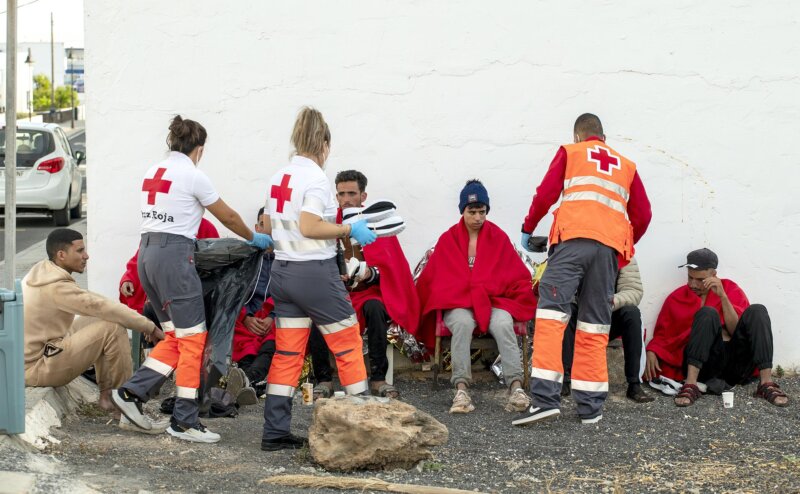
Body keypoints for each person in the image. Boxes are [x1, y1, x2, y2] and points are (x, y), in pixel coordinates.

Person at [112, 115, 272, 443]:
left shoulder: (153, 171)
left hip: (147, 256)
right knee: (194, 339)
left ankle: (131, 394)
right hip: (175, 258)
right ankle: (184, 421)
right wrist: (251, 238)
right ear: (199, 148)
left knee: (175, 336)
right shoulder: (193, 174)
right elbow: (225, 214)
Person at [515, 113, 652, 426]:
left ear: (578, 135)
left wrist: (528, 228)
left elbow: (545, 194)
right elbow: (643, 214)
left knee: (551, 316)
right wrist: (622, 245)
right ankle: (591, 408)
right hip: (606, 253)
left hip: (572, 243)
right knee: (595, 326)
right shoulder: (626, 166)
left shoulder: (571, 153)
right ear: (603, 137)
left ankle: (545, 400)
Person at [259, 107, 376, 452]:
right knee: (348, 344)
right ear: (324, 142)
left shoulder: (279, 176)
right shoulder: (316, 180)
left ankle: (275, 432)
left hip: (282, 272)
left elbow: (266, 224)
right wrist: (347, 229)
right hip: (314, 273)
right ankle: (363, 429)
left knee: (288, 353)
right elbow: (310, 225)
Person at [415, 179, 536, 414]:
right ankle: (461, 389)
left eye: (482, 211)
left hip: (493, 300)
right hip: (458, 302)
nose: (478, 217)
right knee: (461, 323)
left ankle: (516, 387)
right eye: (472, 211)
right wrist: (466, 290)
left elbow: (513, 274)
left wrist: (484, 288)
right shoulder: (449, 239)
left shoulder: (498, 237)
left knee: (502, 323)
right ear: (463, 211)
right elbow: (437, 279)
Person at [23, 229, 164, 424]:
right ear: (61, 255)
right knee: (112, 328)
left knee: (106, 321)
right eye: (80, 251)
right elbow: (101, 306)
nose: (86, 256)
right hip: (38, 367)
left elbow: (98, 304)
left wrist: (142, 323)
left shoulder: (44, 272)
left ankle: (107, 397)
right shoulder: (56, 287)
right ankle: (124, 406)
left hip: (41, 354)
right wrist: (150, 327)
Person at [308, 170, 420, 399]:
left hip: (368, 293)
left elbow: (391, 270)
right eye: (341, 194)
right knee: (316, 312)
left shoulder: (378, 223)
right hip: (336, 293)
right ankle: (324, 381)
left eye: (352, 193)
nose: (346, 199)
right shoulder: (328, 224)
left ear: (363, 196)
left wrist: (368, 273)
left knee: (376, 308)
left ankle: (378, 379)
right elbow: (314, 261)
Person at [644, 248, 789, 407]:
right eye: (690, 277)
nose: (693, 284)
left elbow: (736, 331)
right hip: (706, 365)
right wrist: (653, 350)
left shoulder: (730, 289)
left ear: (713, 275)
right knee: (708, 313)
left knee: (758, 310)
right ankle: (690, 384)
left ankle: (766, 384)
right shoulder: (677, 297)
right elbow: (664, 334)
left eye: (699, 279)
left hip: (736, 364)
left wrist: (723, 297)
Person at [561, 257, 653, 403]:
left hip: (608, 317)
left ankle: (634, 384)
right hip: (581, 315)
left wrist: (608, 302)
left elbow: (633, 291)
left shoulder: (624, 255)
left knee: (632, 313)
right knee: (567, 311)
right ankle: (564, 380)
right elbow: (562, 286)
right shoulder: (578, 251)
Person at [119, 218, 219, 314]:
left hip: (190, 295)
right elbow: (142, 256)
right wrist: (129, 278)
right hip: (159, 294)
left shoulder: (205, 227)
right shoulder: (159, 226)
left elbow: (216, 265)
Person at [229, 208, 277, 404]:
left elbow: (293, 293)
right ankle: (249, 383)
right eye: (265, 225)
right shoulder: (243, 257)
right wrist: (246, 317)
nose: (270, 231)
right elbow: (232, 291)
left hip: (273, 316)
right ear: (257, 228)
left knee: (278, 335)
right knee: (240, 336)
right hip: (245, 317)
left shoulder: (288, 259)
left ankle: (244, 382)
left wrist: (272, 317)